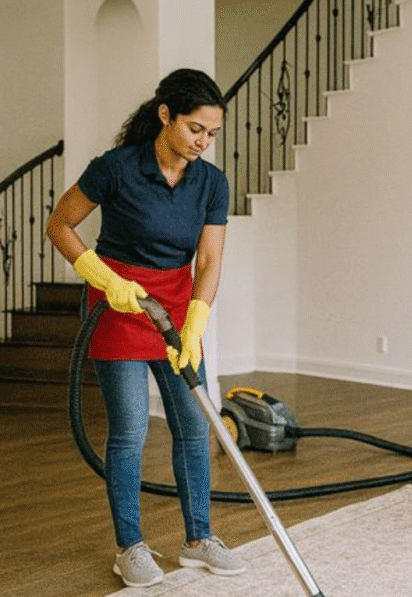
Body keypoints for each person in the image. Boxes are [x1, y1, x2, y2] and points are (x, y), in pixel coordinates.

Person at [45, 68, 245, 588]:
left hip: (177, 310)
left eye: (212, 133)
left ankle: (199, 540)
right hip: (118, 304)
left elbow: (209, 261)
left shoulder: (211, 182)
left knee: (193, 425)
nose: (203, 142)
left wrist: (198, 316)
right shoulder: (116, 168)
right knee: (131, 430)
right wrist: (101, 278)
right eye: (195, 129)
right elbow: (59, 224)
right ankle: (130, 547)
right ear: (165, 115)